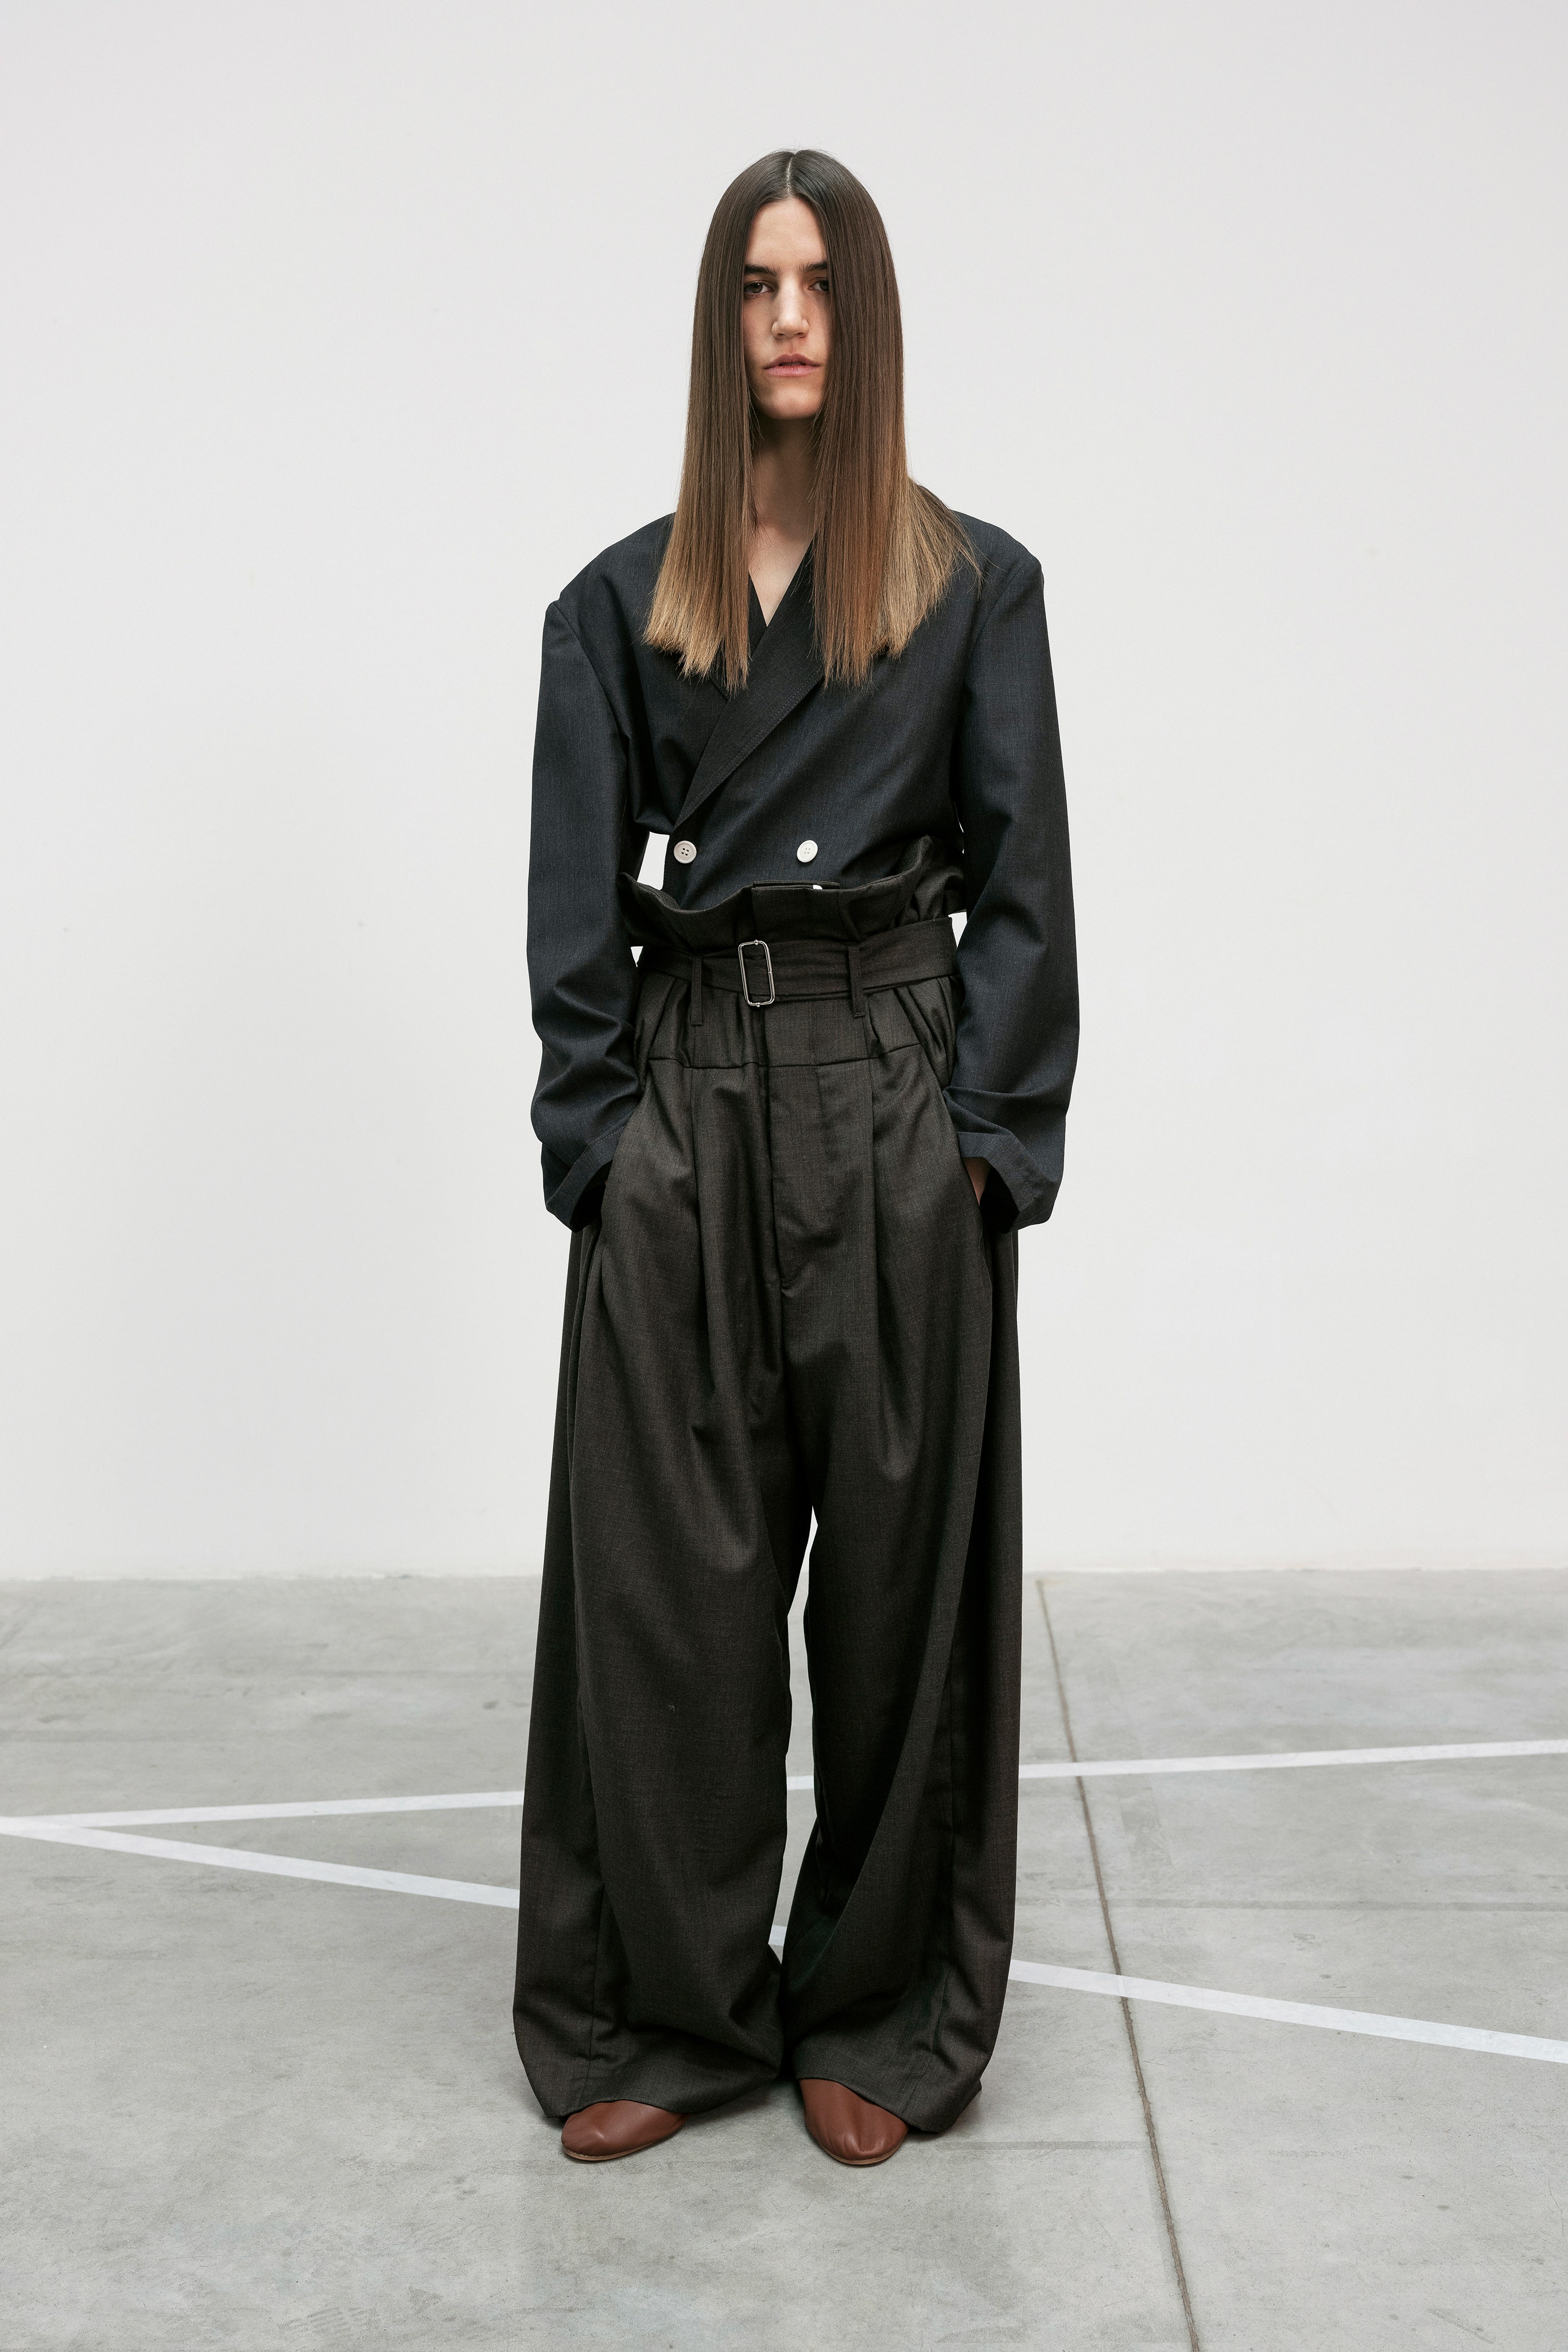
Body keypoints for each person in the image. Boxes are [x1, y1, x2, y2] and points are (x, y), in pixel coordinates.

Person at [513, 149, 1077, 2167]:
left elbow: (1025, 887)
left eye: (820, 282)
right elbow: (568, 911)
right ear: (716, 319)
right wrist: (605, 1145)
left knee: (903, 1586)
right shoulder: (617, 601)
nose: (787, 318)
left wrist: (982, 1146)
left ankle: (878, 2010)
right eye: (756, 283)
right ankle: (667, 2017)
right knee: (667, 1583)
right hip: (688, 1096)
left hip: (892, 1090)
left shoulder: (971, 585)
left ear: (867, 316)